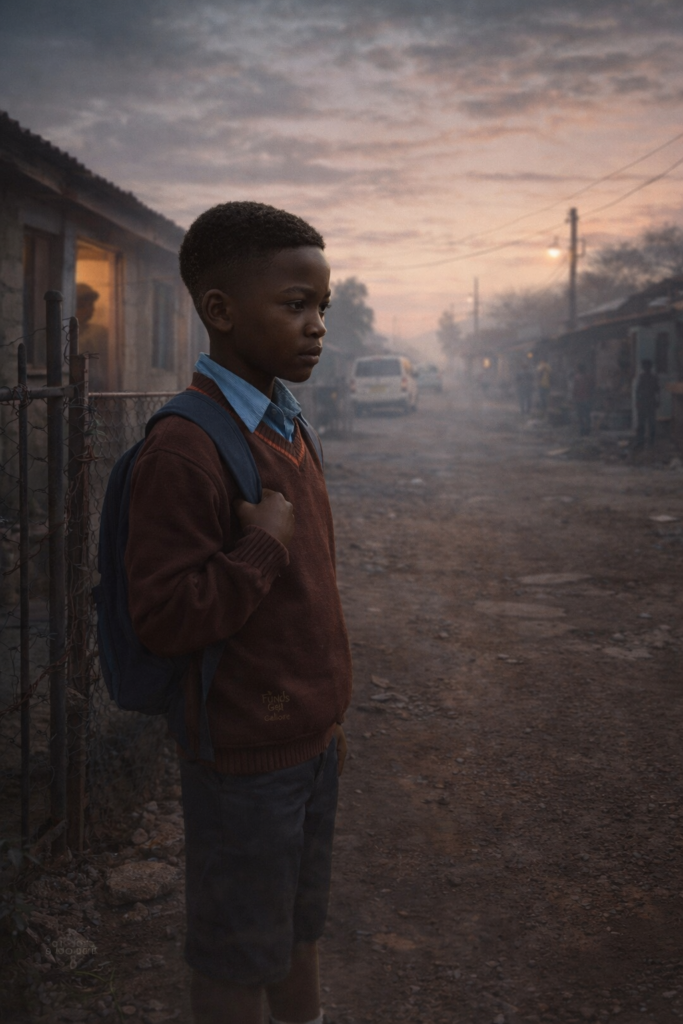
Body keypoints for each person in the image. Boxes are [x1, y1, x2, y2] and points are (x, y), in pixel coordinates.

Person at [124, 202, 352, 1024]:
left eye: (321, 306)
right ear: (220, 310)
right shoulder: (186, 446)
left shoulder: (285, 422)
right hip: (244, 759)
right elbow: (164, 616)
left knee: (294, 929)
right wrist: (260, 550)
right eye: (294, 304)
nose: (316, 326)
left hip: (310, 740)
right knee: (235, 954)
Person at [635, 358, 660, 447]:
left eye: (647, 366)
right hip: (643, 402)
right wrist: (637, 401)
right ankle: (640, 441)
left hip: (651, 402)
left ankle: (651, 442)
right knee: (641, 423)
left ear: (650, 367)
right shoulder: (641, 377)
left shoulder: (654, 378)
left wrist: (658, 401)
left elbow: (657, 391)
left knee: (651, 423)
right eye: (644, 366)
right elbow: (638, 391)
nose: (646, 368)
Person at [572, 363, 592, 436]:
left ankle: (582, 430)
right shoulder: (588, 377)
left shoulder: (576, 378)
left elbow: (575, 389)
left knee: (580, 415)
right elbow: (591, 387)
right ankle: (588, 429)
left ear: (578, 369)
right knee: (587, 415)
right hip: (587, 398)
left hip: (579, 399)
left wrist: (574, 397)